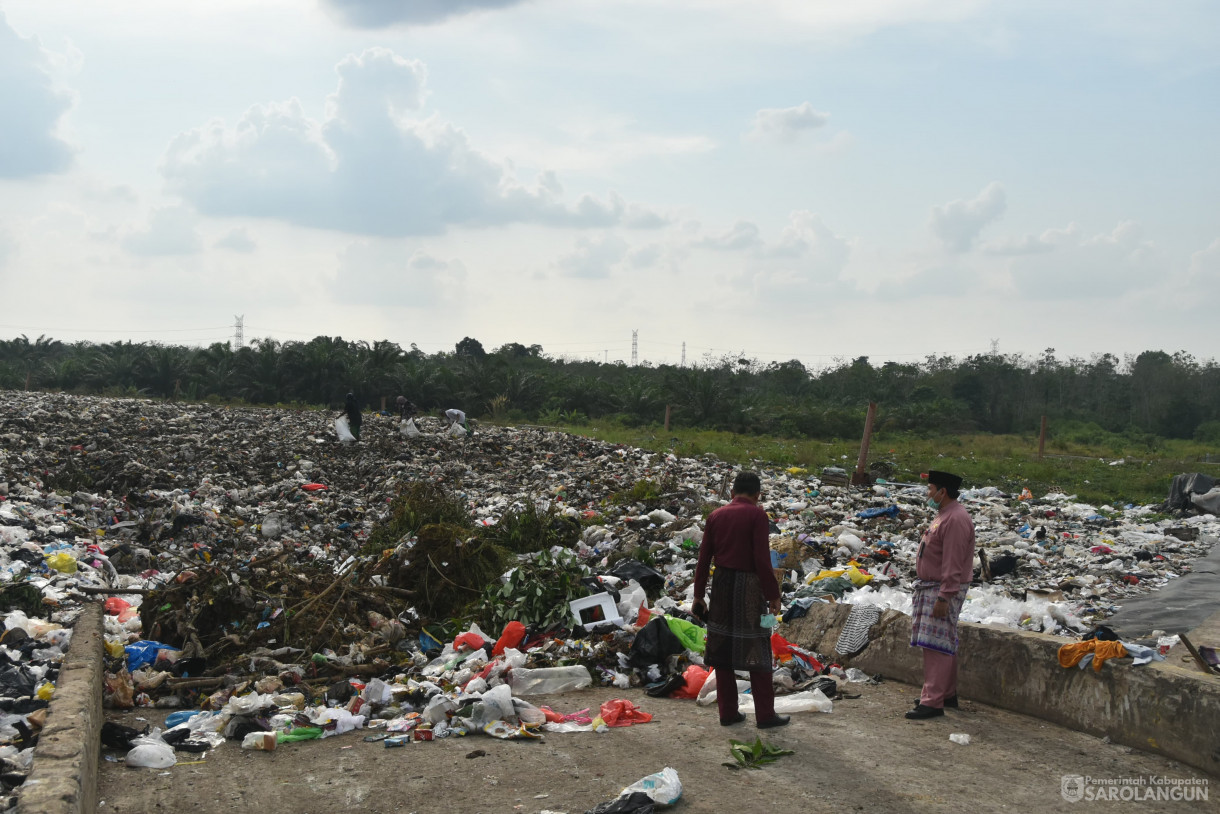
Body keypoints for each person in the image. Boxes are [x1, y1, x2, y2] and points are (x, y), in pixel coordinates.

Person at [692, 471, 788, 729]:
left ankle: (728, 713)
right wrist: (773, 595)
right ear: (758, 495)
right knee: (758, 648)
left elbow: (703, 560)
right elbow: (761, 560)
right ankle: (765, 716)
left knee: (722, 649)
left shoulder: (716, 516)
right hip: (749, 588)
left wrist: (699, 596)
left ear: (731, 493)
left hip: (721, 586)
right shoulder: (758, 515)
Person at [907, 469, 976, 720]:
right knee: (944, 641)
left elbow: (953, 562)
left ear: (942, 492)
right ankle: (946, 694)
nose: (928, 494)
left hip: (941, 589)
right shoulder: (944, 514)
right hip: (932, 586)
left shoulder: (955, 519)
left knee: (935, 645)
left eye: (930, 489)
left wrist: (945, 596)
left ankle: (932, 702)